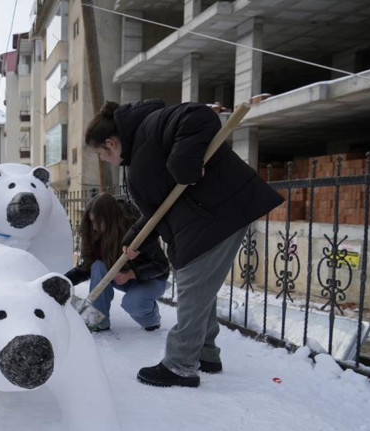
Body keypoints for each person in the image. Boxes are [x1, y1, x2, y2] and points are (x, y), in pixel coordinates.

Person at [85, 99, 283, 388]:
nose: (103, 160)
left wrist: (184, 164)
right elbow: (159, 208)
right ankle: (206, 353)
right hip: (208, 217)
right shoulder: (141, 150)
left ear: (111, 143)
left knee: (192, 288)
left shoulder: (150, 127)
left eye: (100, 154)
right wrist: (133, 239)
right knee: (201, 289)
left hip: (217, 214)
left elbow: (198, 116)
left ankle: (180, 365)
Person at [65, 192, 169, 332]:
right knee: (97, 265)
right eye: (91, 222)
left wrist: (131, 274)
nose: (94, 227)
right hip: (123, 278)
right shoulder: (97, 235)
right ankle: (98, 320)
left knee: (132, 303)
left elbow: (162, 266)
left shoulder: (135, 231)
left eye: (97, 222)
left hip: (151, 279)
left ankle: (152, 318)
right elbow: (87, 266)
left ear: (109, 219)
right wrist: (64, 281)